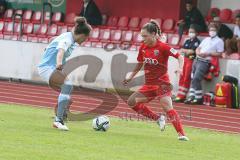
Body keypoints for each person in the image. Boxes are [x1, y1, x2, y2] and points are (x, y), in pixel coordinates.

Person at [123, 20, 189, 141]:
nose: (142, 39)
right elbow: (139, 64)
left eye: (145, 36)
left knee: (166, 106)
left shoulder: (163, 47)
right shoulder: (143, 47)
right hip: (149, 84)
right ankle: (158, 119)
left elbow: (180, 56)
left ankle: (181, 134)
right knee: (132, 102)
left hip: (162, 84)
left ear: (153, 34)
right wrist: (130, 76)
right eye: (141, 36)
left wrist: (180, 68)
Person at [38, 17, 92, 131]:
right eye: (86, 38)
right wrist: (58, 63)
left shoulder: (69, 37)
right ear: (82, 35)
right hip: (47, 68)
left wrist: (48, 47)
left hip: (50, 68)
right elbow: (61, 50)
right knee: (67, 85)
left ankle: (61, 112)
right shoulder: (68, 39)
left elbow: (54, 39)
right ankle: (59, 120)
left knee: (67, 90)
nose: (85, 40)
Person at [185, 24, 224, 105]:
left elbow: (220, 53)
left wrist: (208, 53)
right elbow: (198, 48)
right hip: (197, 59)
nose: (211, 32)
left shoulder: (219, 41)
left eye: (213, 30)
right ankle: (191, 96)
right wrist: (198, 52)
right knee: (192, 78)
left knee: (196, 78)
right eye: (210, 30)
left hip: (205, 62)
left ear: (216, 31)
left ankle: (198, 98)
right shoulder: (206, 39)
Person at [174, 25, 201, 103]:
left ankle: (183, 96)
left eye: (192, 32)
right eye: (190, 32)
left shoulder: (197, 42)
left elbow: (192, 51)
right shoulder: (187, 41)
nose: (190, 33)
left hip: (191, 60)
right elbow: (181, 50)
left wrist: (185, 50)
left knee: (186, 77)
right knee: (182, 77)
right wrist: (186, 50)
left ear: (196, 33)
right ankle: (179, 95)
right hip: (184, 60)